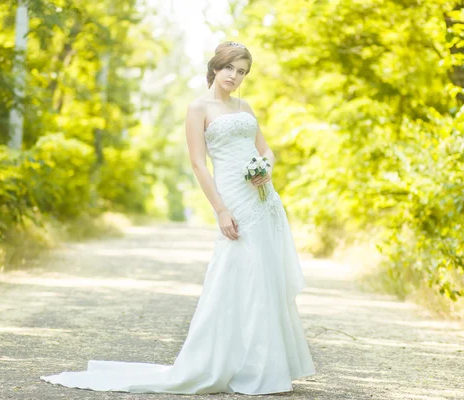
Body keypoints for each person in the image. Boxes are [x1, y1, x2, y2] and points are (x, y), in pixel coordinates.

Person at [40, 41, 316, 395]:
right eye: (230, 68)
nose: (236, 77)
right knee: (235, 272)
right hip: (232, 196)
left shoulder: (245, 107)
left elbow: (266, 149)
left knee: (264, 275)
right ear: (216, 68)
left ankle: (263, 366)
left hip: (262, 197)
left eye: (243, 71)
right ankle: (221, 362)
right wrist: (220, 209)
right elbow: (199, 163)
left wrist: (267, 168)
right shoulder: (198, 108)